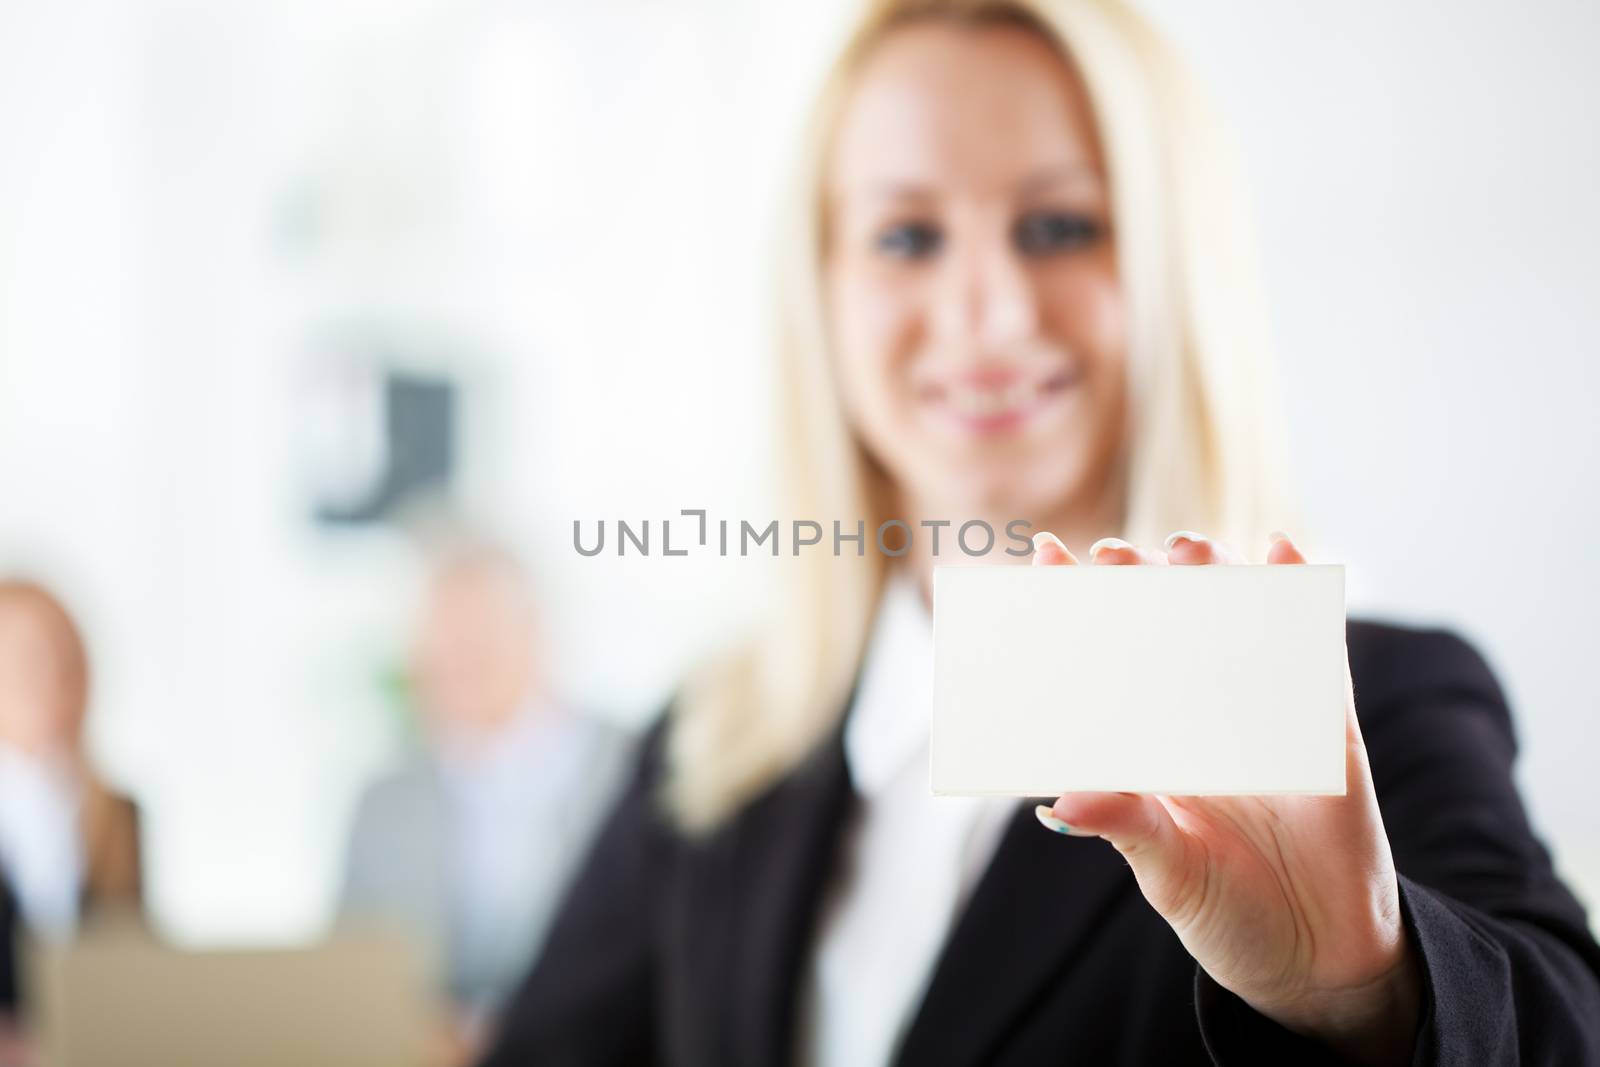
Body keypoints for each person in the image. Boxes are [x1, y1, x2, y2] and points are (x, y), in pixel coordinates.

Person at [482, 1, 1600, 1064]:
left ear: (1172, 273)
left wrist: (1366, 992)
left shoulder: (1356, 703)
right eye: (907, 234)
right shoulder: (720, 741)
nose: (990, 311)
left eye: (1060, 226)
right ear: (819, 289)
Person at [341, 543, 634, 1053]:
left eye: (478, 642)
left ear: (535, 636)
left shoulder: (628, 771)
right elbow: (347, 976)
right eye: (440, 646)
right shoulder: (384, 802)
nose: (455, 663)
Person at [0, 580, 141, 1047]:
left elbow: (137, 971)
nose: (50, 678)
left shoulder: (117, 816)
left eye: (64, 659)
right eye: (27, 661)